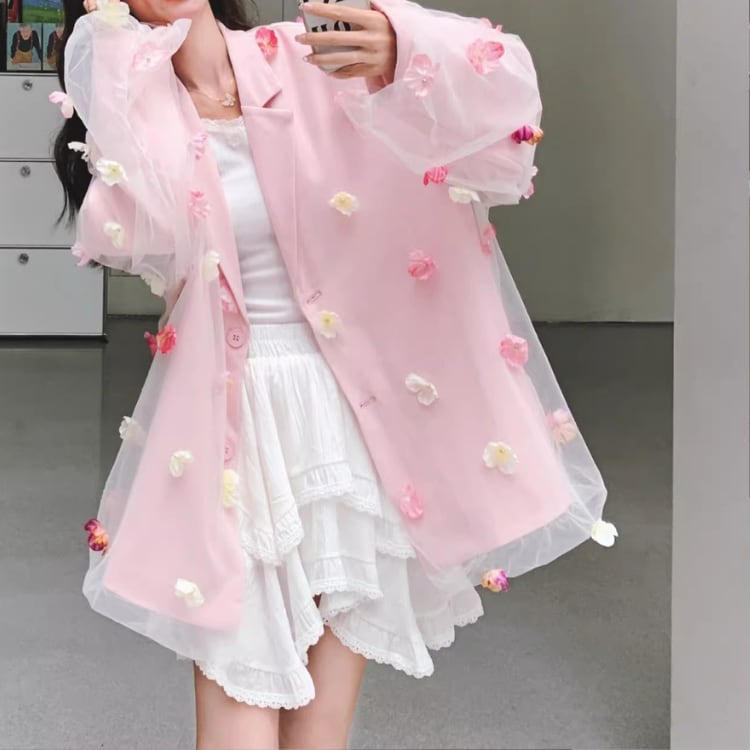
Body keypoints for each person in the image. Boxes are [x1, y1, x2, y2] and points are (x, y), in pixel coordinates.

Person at [52, 0, 617, 747]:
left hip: (347, 418)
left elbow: (503, 97)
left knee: (319, 731)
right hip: (232, 424)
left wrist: (405, 47)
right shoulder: (140, 105)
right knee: (236, 709)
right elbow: (136, 233)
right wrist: (114, 48)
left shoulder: (307, 58)